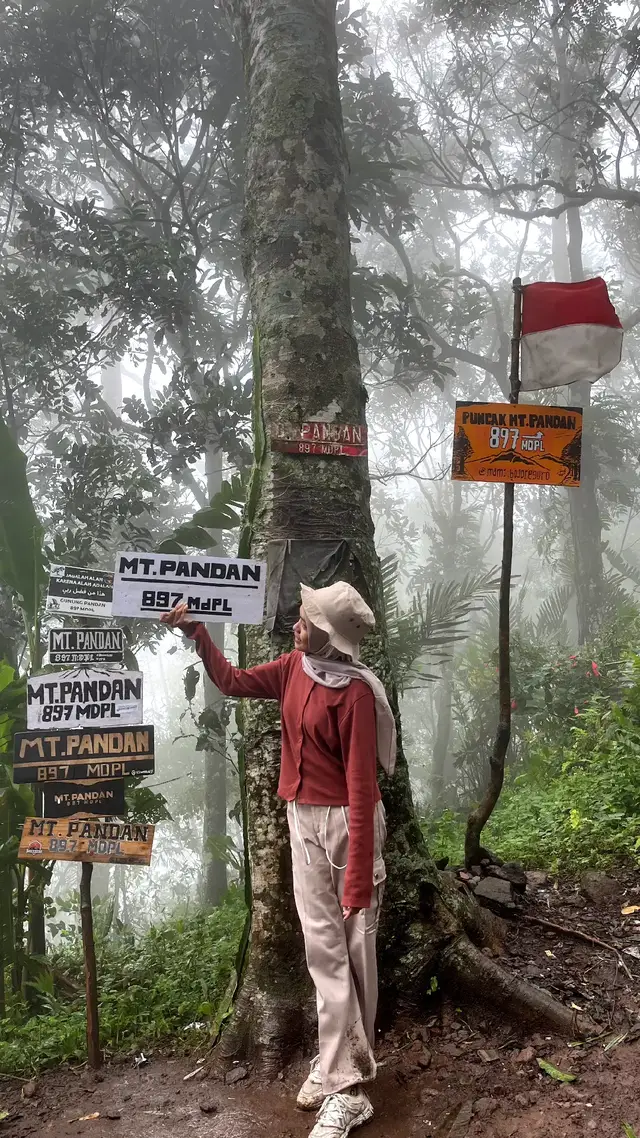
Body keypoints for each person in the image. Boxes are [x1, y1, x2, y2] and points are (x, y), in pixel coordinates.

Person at [161, 581, 396, 1138]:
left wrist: (359, 873)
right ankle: (338, 1066)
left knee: (356, 951)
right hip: (302, 818)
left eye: (308, 621)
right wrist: (197, 631)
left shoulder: (356, 694)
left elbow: (361, 788)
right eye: (301, 616)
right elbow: (234, 682)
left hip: (348, 823)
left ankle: (351, 1089)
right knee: (323, 949)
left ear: (330, 636)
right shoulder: (294, 668)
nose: (298, 622)